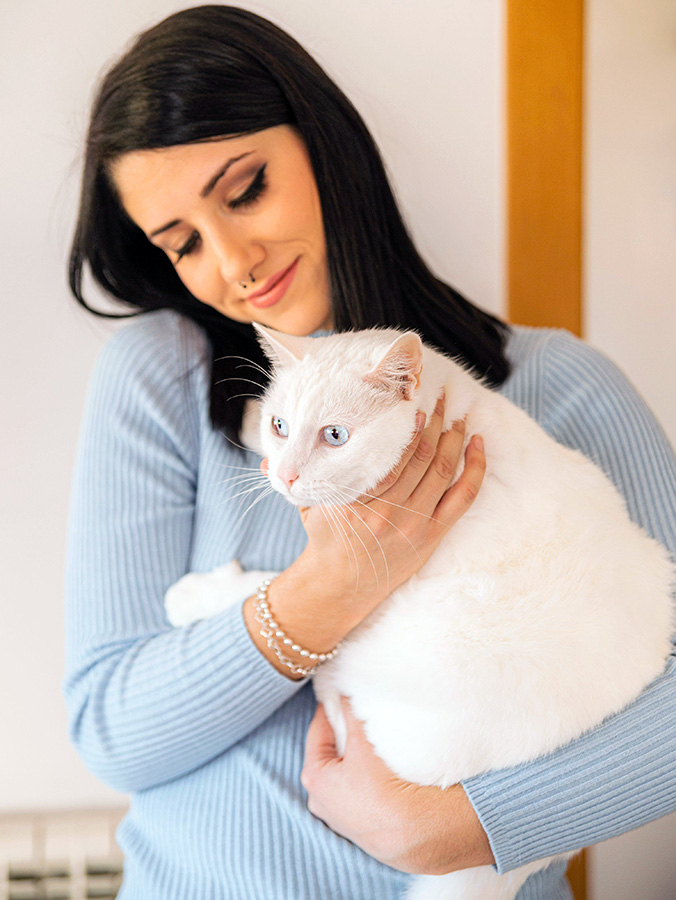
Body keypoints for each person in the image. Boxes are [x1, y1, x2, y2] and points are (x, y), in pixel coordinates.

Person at [64, 6, 676, 899]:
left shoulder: (563, 389)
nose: (234, 260)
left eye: (244, 191)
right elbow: (112, 727)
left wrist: (461, 831)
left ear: (323, 144)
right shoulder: (163, 377)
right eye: (184, 242)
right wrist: (334, 587)